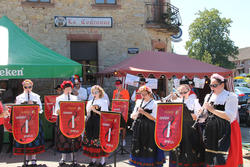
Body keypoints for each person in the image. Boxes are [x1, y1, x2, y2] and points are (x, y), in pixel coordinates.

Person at [202, 73, 243, 166]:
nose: (212, 88)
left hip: (228, 129)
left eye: (214, 85)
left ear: (222, 85)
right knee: (212, 158)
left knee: (226, 158)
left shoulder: (231, 96)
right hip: (213, 130)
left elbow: (230, 116)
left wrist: (212, 109)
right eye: (211, 85)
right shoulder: (208, 96)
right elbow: (204, 117)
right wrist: (201, 114)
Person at [169, 84, 204, 167]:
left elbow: (200, 117)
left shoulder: (194, 101)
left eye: (185, 92)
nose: (183, 94)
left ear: (189, 92)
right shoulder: (176, 101)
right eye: (180, 92)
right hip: (178, 128)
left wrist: (193, 115)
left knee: (191, 148)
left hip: (191, 128)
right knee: (178, 149)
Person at [129, 85, 165, 167]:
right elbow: (132, 116)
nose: (143, 96)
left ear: (149, 94)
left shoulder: (155, 103)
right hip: (139, 128)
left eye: (145, 94)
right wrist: (137, 113)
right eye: (141, 94)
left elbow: (155, 118)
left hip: (150, 128)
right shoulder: (138, 102)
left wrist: (144, 112)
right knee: (138, 146)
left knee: (149, 146)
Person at [14, 79, 45, 166]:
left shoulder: (36, 96)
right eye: (26, 87)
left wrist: (34, 105)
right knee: (26, 139)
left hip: (34, 121)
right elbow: (16, 110)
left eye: (29, 87)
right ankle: (26, 158)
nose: (28, 88)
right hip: (24, 121)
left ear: (32, 87)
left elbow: (40, 110)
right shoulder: (19, 97)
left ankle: (34, 158)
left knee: (34, 138)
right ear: (23, 87)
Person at [54, 81, 82, 166]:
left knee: (72, 139)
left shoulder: (75, 98)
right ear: (63, 89)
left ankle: (73, 158)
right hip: (62, 120)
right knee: (63, 139)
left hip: (73, 121)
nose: (68, 90)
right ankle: (63, 158)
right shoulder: (59, 98)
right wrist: (61, 110)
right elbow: (56, 111)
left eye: (70, 88)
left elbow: (78, 109)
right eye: (67, 88)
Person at [82, 85, 109, 167]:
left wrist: (95, 111)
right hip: (90, 123)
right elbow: (88, 113)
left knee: (99, 141)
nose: (94, 94)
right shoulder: (90, 102)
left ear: (100, 92)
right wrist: (90, 110)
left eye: (96, 92)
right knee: (91, 140)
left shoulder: (103, 101)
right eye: (93, 92)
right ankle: (93, 160)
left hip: (99, 123)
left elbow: (105, 115)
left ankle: (102, 161)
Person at [112, 79, 130, 146]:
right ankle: (115, 140)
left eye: (118, 85)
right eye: (116, 85)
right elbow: (114, 101)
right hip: (116, 110)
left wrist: (120, 96)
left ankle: (123, 139)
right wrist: (117, 96)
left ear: (121, 85)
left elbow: (127, 100)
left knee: (124, 126)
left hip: (123, 111)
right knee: (116, 125)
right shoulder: (114, 92)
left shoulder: (126, 91)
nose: (117, 86)